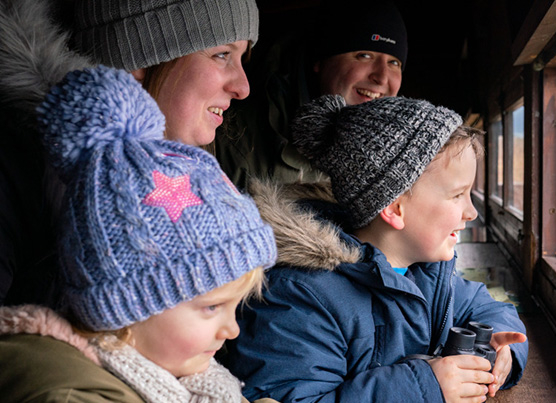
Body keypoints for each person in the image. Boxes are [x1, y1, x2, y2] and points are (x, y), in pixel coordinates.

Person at [221, 95, 529, 402]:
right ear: (395, 209)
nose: (471, 212)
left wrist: (506, 351)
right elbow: (294, 397)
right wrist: (425, 388)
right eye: (457, 195)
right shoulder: (299, 297)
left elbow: (488, 308)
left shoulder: (426, 272)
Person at [0, 65, 278, 402]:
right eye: (211, 307)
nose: (231, 330)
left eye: (233, 306)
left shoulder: (190, 383)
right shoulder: (72, 394)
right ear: (126, 311)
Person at [0, 0, 259, 306]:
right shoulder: (15, 166)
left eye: (242, 58)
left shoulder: (197, 180)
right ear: (141, 57)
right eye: (222, 55)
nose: (243, 87)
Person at [215, 0, 408, 188]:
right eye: (364, 56)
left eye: (394, 63)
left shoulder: (406, 156)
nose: (382, 78)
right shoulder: (241, 136)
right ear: (321, 61)